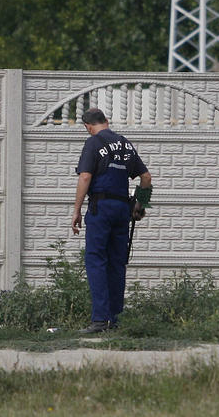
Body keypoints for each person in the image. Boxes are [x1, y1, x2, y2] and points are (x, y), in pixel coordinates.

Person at [71, 108, 152, 333]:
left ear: (88, 127)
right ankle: (115, 320)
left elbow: (85, 176)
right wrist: (140, 205)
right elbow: (146, 177)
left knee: (96, 260)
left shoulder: (94, 143)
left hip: (101, 207)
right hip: (121, 209)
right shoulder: (125, 144)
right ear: (106, 121)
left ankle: (99, 320)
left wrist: (76, 210)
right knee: (117, 262)